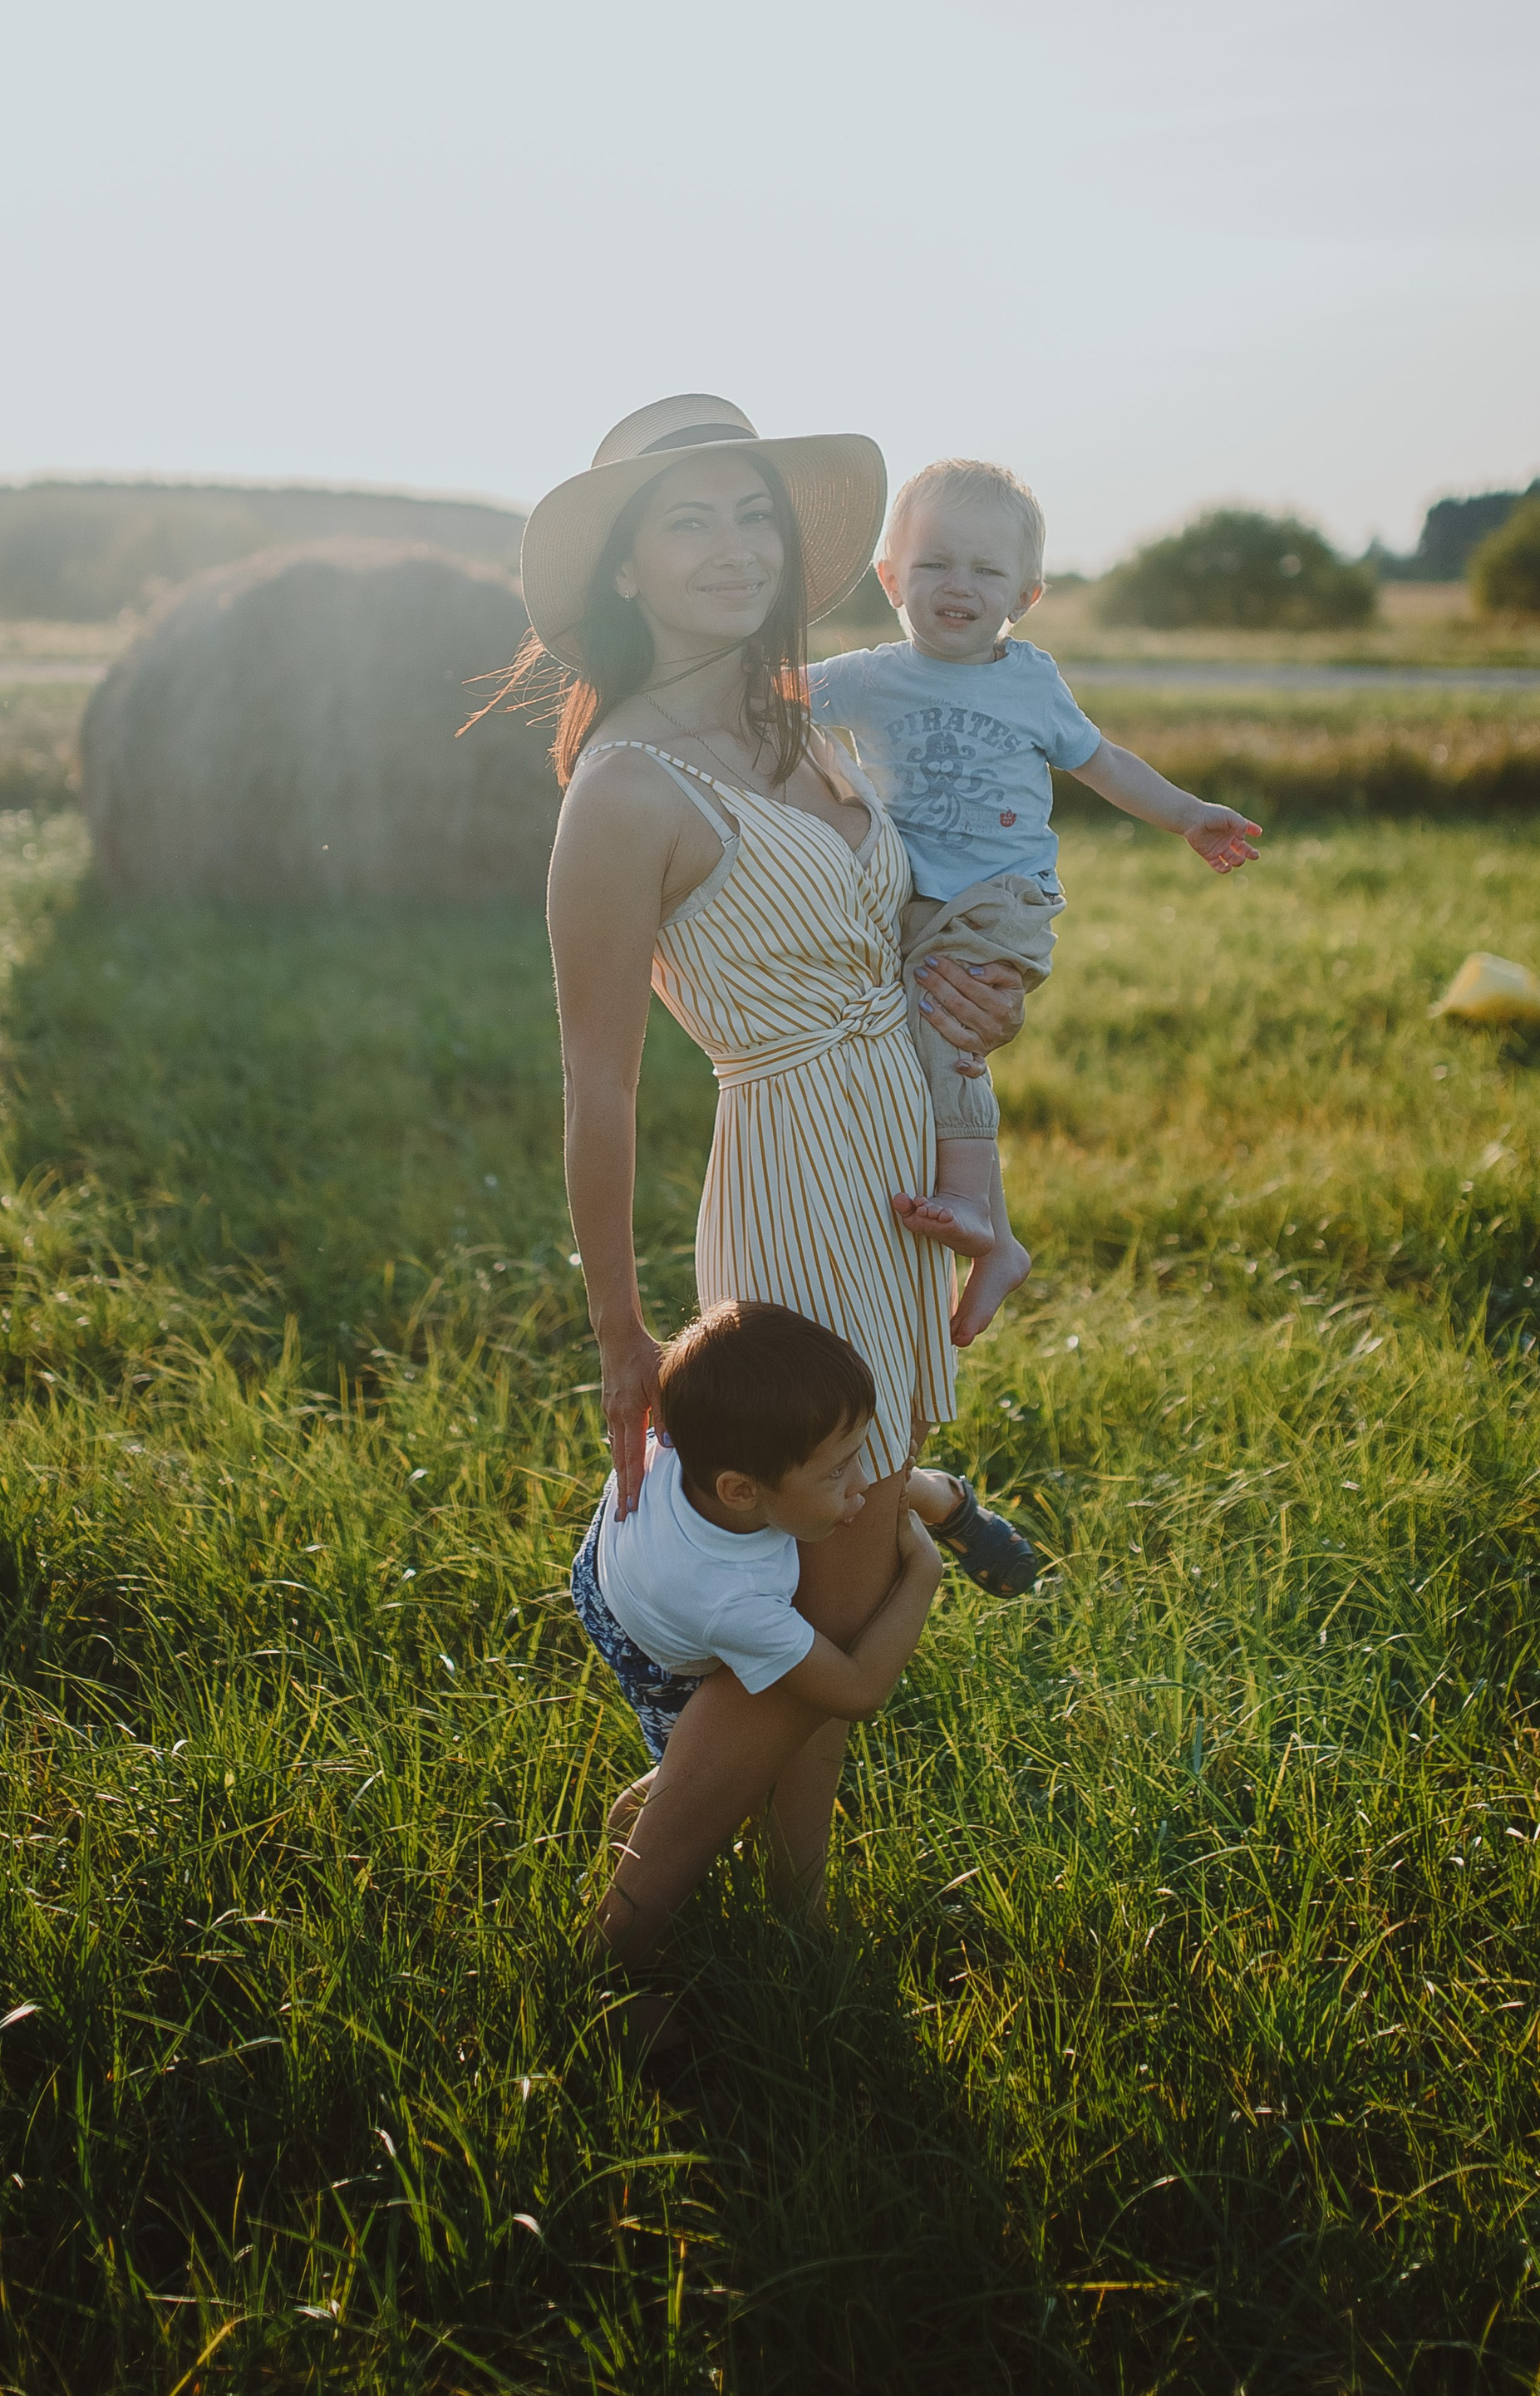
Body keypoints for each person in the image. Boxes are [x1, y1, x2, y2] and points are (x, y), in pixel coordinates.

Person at [513, 393, 1038, 1980]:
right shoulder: (625, 792)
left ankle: (798, 1925)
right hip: (796, 1194)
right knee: (813, 1633)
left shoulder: (801, 719)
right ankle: (627, 1951)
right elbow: (599, 1085)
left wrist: (973, 1035)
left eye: (753, 516)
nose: (735, 547)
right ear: (625, 563)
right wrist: (621, 1337)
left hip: (889, 1175)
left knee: (839, 1581)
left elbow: (896, 953)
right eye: (692, 520)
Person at [811, 457, 1262, 1345]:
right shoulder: (865, 677)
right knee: (907, 1048)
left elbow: (1103, 762)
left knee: (944, 1025)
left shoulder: (1029, 681)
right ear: (890, 578)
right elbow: (765, 695)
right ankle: (1000, 1248)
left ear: (1025, 595)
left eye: (986, 571)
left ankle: (971, 1210)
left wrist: (1185, 817)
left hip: (998, 898)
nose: (959, 586)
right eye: (936, 563)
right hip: (905, 897)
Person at [570, 1301, 945, 1955]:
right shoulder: (737, 1604)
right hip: (650, 1643)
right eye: (838, 1470)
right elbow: (857, 1691)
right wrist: (923, 1575)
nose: (862, 1484)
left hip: (610, 1557)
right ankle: (623, 1963)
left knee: (735, 1760)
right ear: (741, 1492)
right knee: (715, 1787)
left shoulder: (698, 1423)